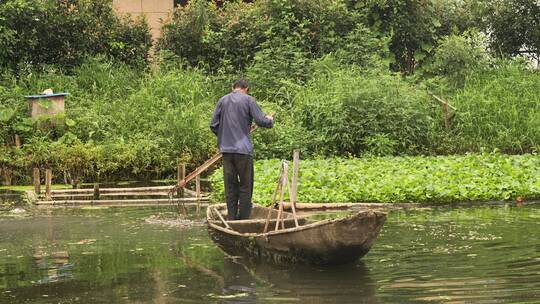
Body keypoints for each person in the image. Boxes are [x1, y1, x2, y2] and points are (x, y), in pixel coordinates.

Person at [210, 79, 274, 220]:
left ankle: (232, 219)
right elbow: (261, 120)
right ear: (246, 88)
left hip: (226, 151)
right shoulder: (249, 100)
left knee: (230, 186)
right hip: (243, 151)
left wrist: (224, 136)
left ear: (233, 87)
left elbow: (213, 125)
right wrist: (269, 119)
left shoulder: (222, 100)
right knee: (245, 186)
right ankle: (244, 220)